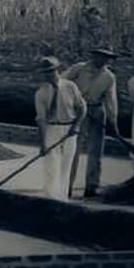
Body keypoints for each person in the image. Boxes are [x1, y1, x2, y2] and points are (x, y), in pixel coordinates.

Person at [63, 47, 119, 198]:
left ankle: (92, 186)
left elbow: (111, 100)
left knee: (96, 150)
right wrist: (70, 102)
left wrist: (113, 121)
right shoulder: (79, 69)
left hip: (97, 110)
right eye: (101, 56)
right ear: (94, 56)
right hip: (79, 110)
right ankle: (67, 185)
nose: (104, 60)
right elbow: (62, 83)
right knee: (74, 148)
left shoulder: (109, 77)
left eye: (107, 57)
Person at [33, 56, 86, 201]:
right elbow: (41, 120)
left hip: (69, 129)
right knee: (51, 165)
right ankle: (50, 198)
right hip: (52, 128)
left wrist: (76, 127)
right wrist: (43, 144)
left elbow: (82, 108)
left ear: (57, 70)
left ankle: (62, 198)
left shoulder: (70, 86)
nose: (48, 75)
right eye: (45, 72)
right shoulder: (41, 93)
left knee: (66, 164)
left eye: (51, 71)